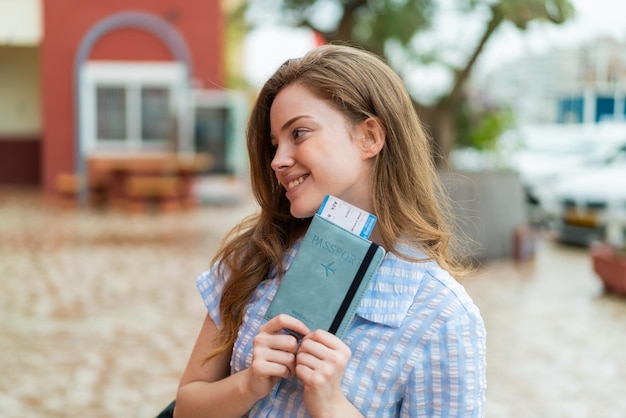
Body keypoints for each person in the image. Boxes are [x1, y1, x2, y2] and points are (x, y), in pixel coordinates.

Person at [173, 44, 486, 418]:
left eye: (299, 133)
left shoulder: (442, 317)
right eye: (274, 144)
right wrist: (249, 383)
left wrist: (332, 405)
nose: (277, 160)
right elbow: (186, 408)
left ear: (369, 137)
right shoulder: (253, 257)